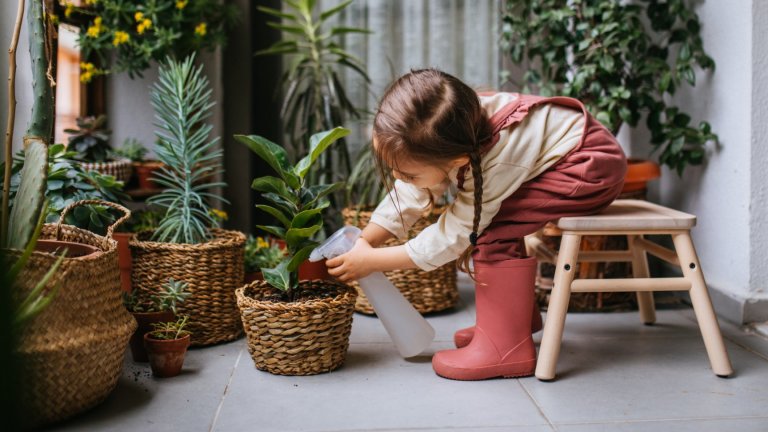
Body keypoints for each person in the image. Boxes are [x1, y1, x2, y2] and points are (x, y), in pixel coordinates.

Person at [326, 68, 627, 380]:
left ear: (456, 161)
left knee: (490, 230)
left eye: (408, 173)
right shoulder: (451, 126)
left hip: (587, 169)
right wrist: (369, 238)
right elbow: (412, 190)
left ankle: (507, 348)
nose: (400, 179)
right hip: (564, 155)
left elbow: (456, 234)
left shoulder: (495, 158)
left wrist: (374, 260)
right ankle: (513, 322)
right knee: (491, 219)